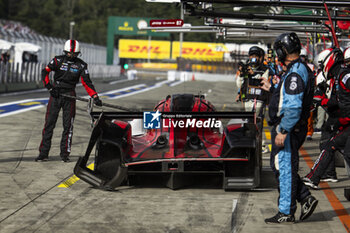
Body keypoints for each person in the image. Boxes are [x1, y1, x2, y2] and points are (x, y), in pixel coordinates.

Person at [260, 32, 318, 224]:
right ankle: (305, 198)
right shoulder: (298, 69)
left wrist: (283, 131)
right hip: (293, 127)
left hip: (289, 129)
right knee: (279, 167)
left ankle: (286, 211)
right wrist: (274, 89)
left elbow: (293, 107)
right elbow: (290, 97)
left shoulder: (294, 72)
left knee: (284, 168)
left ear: (282, 50)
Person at [36, 39, 102, 162]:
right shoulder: (57, 60)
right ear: (65, 51)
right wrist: (50, 87)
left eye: (74, 54)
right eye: (69, 53)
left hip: (70, 95)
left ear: (78, 53)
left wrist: (95, 96)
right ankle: (43, 153)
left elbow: (86, 82)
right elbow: (45, 72)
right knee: (49, 124)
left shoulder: (82, 65)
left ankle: (65, 154)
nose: (71, 56)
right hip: (55, 94)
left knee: (68, 126)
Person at [303, 48, 350, 189]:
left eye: (322, 65)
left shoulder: (345, 76)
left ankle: (313, 177)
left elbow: (344, 104)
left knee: (334, 147)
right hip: (345, 121)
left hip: (346, 121)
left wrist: (323, 102)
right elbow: (340, 102)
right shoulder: (339, 77)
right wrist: (323, 101)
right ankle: (313, 177)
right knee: (344, 151)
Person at [236, 46, 270, 153]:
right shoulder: (246, 68)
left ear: (260, 58)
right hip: (247, 99)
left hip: (259, 99)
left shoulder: (265, 69)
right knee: (247, 122)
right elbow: (239, 84)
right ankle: (249, 143)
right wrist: (242, 74)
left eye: (256, 56)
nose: (253, 58)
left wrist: (253, 74)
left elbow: (263, 83)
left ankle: (261, 144)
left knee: (256, 122)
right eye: (252, 56)